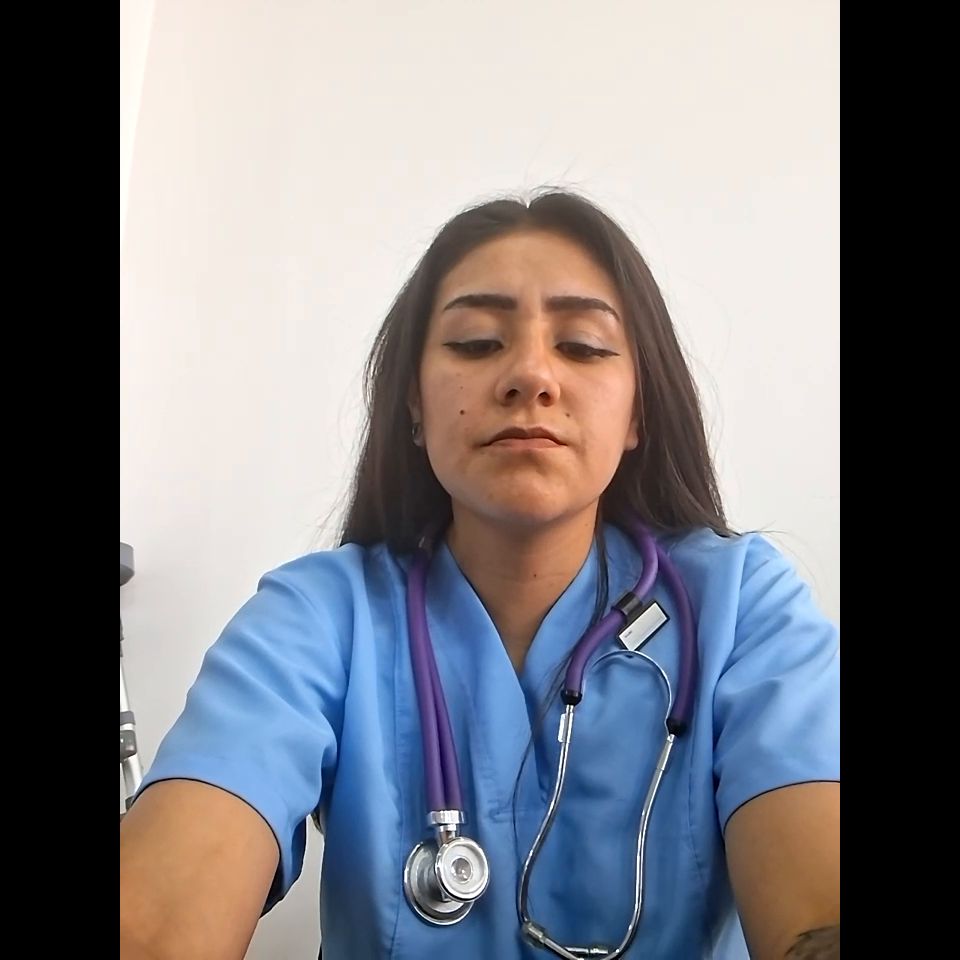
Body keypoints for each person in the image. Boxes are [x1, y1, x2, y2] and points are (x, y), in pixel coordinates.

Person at [119, 189, 840, 960]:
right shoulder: (318, 617)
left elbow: (816, 912)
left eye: (583, 346)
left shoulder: (740, 607)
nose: (530, 375)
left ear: (638, 413)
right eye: (475, 343)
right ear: (414, 405)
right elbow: (158, 922)